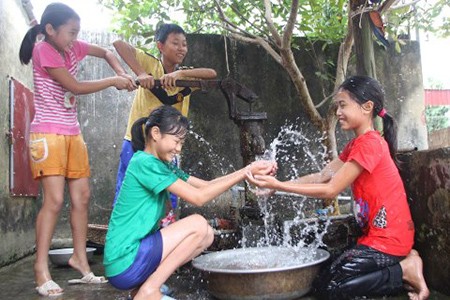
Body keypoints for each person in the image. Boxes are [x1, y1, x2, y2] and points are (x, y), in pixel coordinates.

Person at [246, 76, 430, 300]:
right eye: (338, 106)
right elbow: (323, 176)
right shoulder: (357, 144)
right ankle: (402, 265)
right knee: (322, 278)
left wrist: (279, 184)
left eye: (343, 105)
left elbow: (331, 189)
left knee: (330, 289)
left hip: (389, 241)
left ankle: (404, 270)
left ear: (367, 107)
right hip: (376, 239)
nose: (338, 112)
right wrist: (278, 188)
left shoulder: (371, 144)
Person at [19, 2, 135, 297]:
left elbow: (108, 53)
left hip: (72, 133)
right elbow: (76, 86)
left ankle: (81, 262)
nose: (74, 38)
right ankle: (40, 269)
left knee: (81, 198)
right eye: (70, 32)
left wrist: (124, 74)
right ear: (50, 30)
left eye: (77, 32)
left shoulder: (73, 48)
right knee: (54, 201)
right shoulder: (43, 49)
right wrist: (113, 81)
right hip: (48, 133)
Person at [104, 105, 276, 300]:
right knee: (198, 224)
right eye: (176, 141)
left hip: (132, 258)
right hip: (124, 259)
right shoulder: (144, 163)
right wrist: (247, 171)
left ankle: (143, 288)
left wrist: (248, 172)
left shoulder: (161, 165)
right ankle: (149, 289)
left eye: (182, 143)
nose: (178, 149)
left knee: (207, 235)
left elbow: (205, 186)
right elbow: (199, 198)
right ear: (155, 133)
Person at [112, 23, 217, 208]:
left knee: (168, 198)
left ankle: (164, 234)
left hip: (167, 148)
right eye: (175, 43)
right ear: (160, 46)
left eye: (184, 44)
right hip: (137, 143)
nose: (181, 48)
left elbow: (212, 74)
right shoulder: (151, 63)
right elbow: (118, 43)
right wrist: (142, 73)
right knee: (131, 195)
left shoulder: (186, 75)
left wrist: (181, 72)